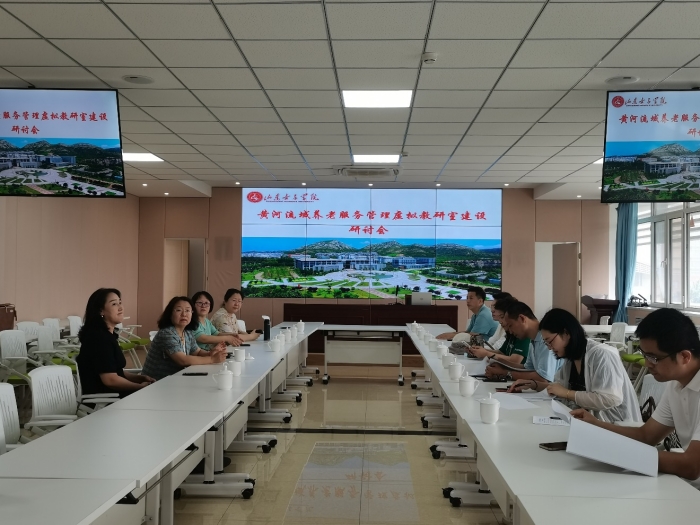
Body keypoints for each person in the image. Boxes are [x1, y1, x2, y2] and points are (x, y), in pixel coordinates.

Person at [571, 308, 700, 486]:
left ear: (684, 356)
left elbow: (691, 466)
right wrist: (596, 424)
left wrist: (620, 454)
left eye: (653, 358)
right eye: (645, 355)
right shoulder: (675, 385)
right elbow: (646, 435)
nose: (647, 364)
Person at [509, 308, 641, 423]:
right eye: (546, 343)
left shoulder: (602, 355)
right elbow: (559, 388)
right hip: (590, 423)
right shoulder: (571, 358)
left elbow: (610, 399)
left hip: (616, 425)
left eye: (550, 341)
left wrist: (567, 393)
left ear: (566, 333)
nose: (549, 348)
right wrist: (533, 384)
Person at [76, 288, 155, 397]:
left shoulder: (107, 335)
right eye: (114, 304)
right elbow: (110, 380)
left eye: (120, 302)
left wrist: (139, 378)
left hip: (113, 396)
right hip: (104, 401)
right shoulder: (99, 339)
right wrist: (139, 387)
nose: (120, 307)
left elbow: (116, 372)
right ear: (100, 311)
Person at [141, 296, 227, 381]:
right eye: (179, 310)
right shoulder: (167, 333)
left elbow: (197, 352)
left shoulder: (187, 332)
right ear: (170, 314)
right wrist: (212, 359)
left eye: (187, 310)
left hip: (175, 379)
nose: (184, 314)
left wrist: (211, 353)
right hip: (154, 383)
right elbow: (182, 360)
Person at [486, 301, 562, 382]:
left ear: (522, 318)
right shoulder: (533, 340)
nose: (510, 331)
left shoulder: (546, 340)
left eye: (511, 326)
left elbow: (544, 378)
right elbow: (526, 368)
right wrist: (501, 363)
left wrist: (506, 373)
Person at [468, 297, 530, 367]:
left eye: (502, 317)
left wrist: (486, 354)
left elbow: (515, 361)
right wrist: (481, 350)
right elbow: (501, 352)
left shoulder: (521, 333)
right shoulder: (510, 332)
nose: (500, 321)